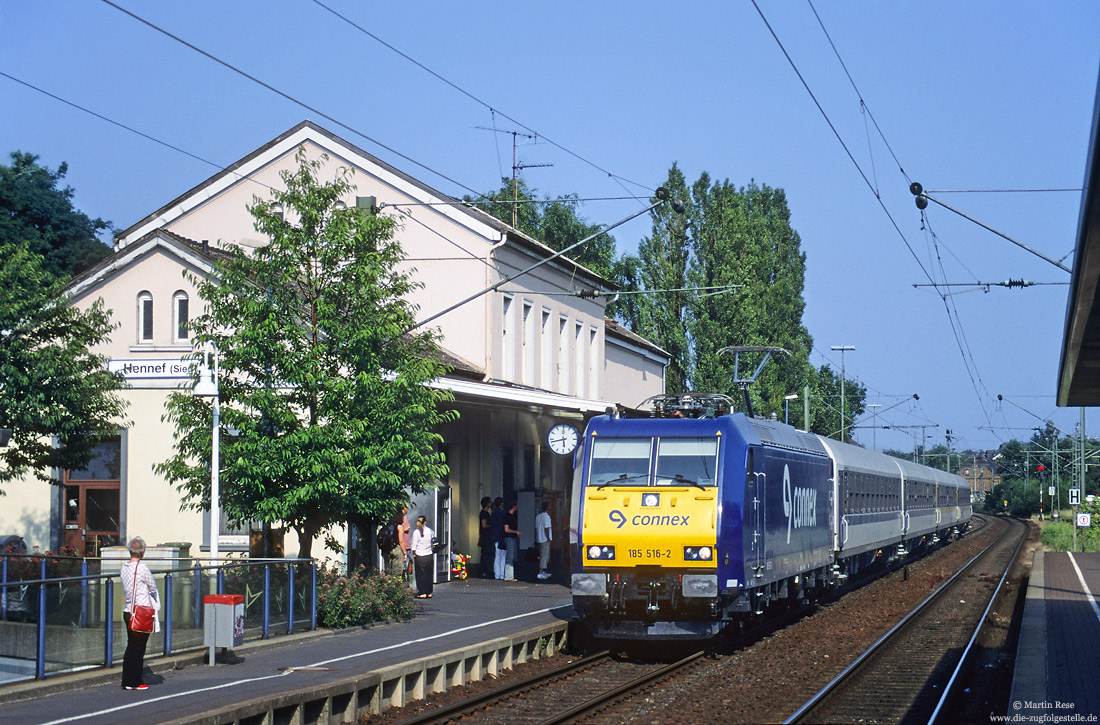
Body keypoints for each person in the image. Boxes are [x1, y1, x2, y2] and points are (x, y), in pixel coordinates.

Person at [120, 536, 159, 690]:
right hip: (141, 611)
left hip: (129, 611)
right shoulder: (142, 568)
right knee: (139, 648)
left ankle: (127, 680)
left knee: (131, 646)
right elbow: (153, 587)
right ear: (142, 552)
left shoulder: (124, 567)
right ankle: (135, 680)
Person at [409, 515, 435, 598]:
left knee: (420, 574)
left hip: (420, 555)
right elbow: (433, 541)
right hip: (429, 554)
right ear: (425, 522)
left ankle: (422, 592)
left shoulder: (416, 532)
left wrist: (413, 554)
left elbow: (414, 545)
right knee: (429, 573)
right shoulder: (430, 531)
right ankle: (429, 592)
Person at [503, 501, 521, 581]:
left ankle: (510, 575)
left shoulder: (511, 516)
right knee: (510, 557)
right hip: (510, 538)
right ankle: (508, 576)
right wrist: (515, 532)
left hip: (512, 538)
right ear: (514, 506)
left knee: (511, 556)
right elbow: (506, 529)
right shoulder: (508, 516)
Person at [535, 501, 553, 580]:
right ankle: (540, 572)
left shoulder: (538, 516)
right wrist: (548, 538)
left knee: (542, 555)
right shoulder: (547, 517)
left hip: (539, 538)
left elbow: (536, 528)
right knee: (545, 556)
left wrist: (536, 537)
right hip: (545, 539)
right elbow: (546, 528)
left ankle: (543, 572)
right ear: (548, 508)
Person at [478, 496, 494, 579]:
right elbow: (484, 525)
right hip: (486, 536)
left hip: (484, 536)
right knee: (486, 554)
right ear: (487, 504)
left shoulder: (484, 513)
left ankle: (484, 570)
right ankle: (484, 570)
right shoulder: (484, 513)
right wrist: (492, 525)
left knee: (485, 554)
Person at [490, 497, 506, 580]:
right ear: (502, 504)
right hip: (502, 536)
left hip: (495, 536)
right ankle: (502, 574)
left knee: (497, 556)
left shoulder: (493, 513)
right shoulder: (503, 513)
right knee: (503, 556)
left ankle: (497, 574)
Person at [398, 506, 412, 581]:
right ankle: (402, 580)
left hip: (407, 545)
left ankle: (405, 580)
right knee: (403, 566)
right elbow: (399, 529)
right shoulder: (400, 518)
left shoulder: (405, 517)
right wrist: (406, 529)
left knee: (406, 566)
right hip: (404, 546)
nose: (407, 510)